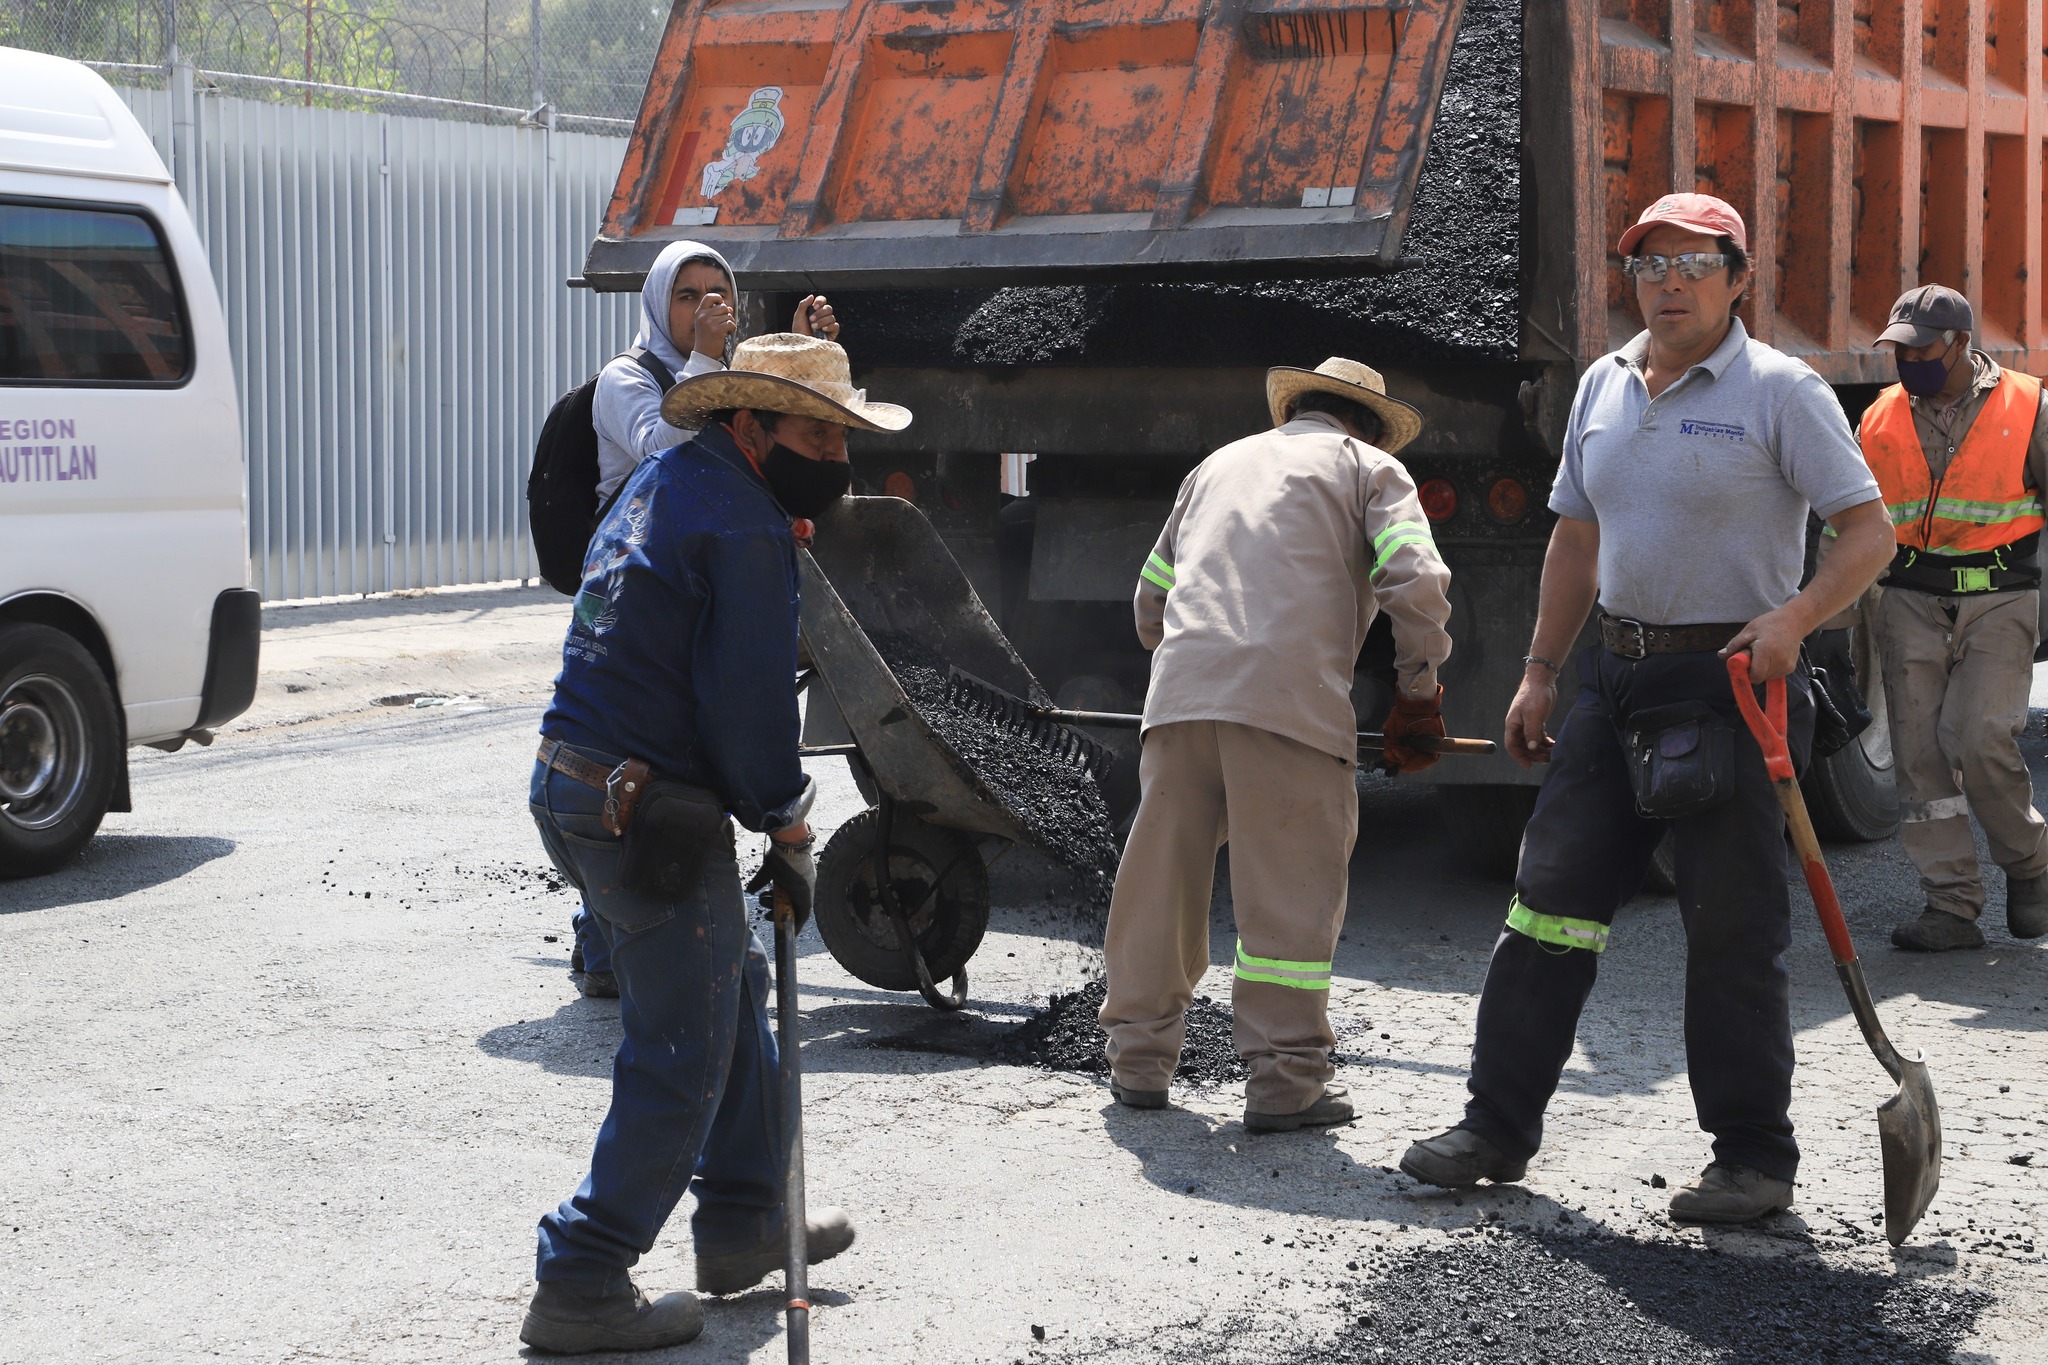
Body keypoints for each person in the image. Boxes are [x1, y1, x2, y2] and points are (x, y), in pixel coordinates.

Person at [1399, 194, 1895, 1224]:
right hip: (1612, 678)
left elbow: (1866, 535)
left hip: (1730, 686)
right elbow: (1574, 538)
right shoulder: (1604, 382)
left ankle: (1752, 1161)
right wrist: (1538, 670)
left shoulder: (1780, 391)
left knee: (1729, 929)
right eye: (1646, 264)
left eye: (1690, 263)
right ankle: (1494, 1127)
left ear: (1737, 277)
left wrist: (1792, 619)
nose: (1666, 282)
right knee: (1545, 908)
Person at [519, 333, 910, 1355]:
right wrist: (786, 823)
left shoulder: (674, 479)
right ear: (749, 426)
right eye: (814, 433)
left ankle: (742, 1223)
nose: (833, 455)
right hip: (639, 805)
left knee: (723, 987)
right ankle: (582, 1274)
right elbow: (745, 714)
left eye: (839, 434)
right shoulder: (740, 526)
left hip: (577, 782)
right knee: (682, 1050)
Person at [1097, 357, 1454, 1133]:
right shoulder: (1370, 467)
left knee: (1163, 880)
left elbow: (1150, 597)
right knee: (1289, 895)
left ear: (1295, 410)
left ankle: (1139, 1063)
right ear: (1363, 422)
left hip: (1181, 700)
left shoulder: (1216, 465)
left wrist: (1193, 664)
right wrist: (1419, 691)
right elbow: (1414, 578)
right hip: (1290, 706)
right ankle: (1286, 1082)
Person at [570, 241, 840, 998]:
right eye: (686, 295)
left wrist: (803, 351)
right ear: (660, 305)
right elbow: (669, 445)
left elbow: (763, 435)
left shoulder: (720, 372)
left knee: (677, 752)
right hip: (639, 589)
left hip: (699, 577)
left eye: (716, 292)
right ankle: (602, 943)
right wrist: (706, 361)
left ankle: (631, 930)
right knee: (630, 750)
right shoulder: (627, 380)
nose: (701, 307)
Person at [1860, 284, 2048, 951]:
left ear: (1962, 344)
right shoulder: (1880, 417)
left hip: (2000, 596)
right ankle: (1951, 904)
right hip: (1911, 600)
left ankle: (2030, 861)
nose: (1907, 362)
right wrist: (1822, 628)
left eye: (1921, 349)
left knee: (1977, 736)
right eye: (1898, 350)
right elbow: (1847, 529)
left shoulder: (2030, 407)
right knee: (1918, 755)